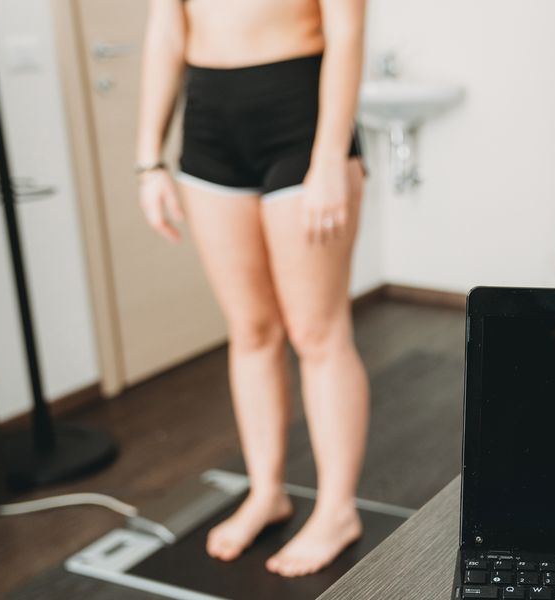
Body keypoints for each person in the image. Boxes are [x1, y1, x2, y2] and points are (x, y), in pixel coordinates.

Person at [134, 0, 369, 577]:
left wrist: (330, 157)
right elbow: (166, 29)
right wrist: (148, 162)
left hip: (301, 117)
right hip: (210, 121)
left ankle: (338, 510)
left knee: (317, 333)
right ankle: (267, 492)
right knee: (251, 329)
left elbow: (347, 29)